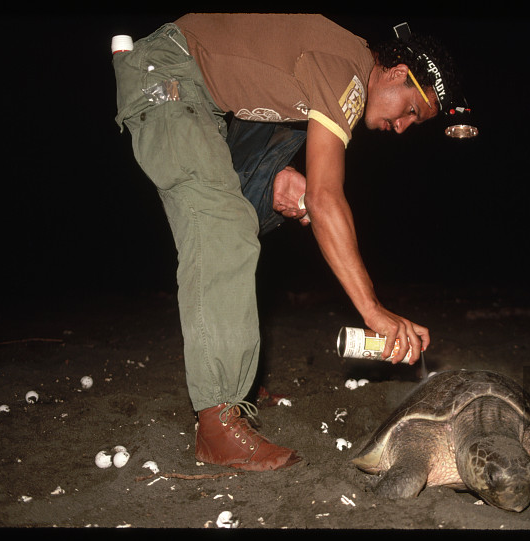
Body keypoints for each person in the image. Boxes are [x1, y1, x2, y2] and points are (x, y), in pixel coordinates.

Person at [112, 14, 467, 471]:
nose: (403, 127)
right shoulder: (348, 74)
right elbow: (326, 197)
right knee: (224, 228)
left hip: (210, 104)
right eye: (412, 110)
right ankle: (218, 419)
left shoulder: (336, 70)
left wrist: (277, 176)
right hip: (169, 77)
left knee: (249, 215)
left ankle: (240, 379)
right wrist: (373, 310)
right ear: (398, 73)